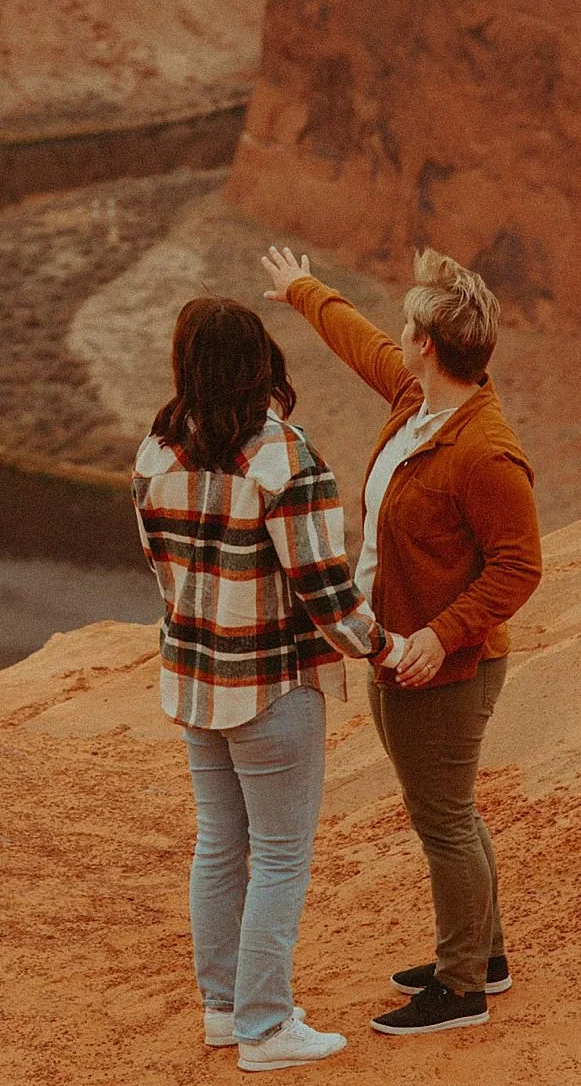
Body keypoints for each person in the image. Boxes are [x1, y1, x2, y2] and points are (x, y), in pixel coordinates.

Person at [261, 242, 542, 1040]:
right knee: (451, 810)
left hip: (446, 668)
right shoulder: (416, 402)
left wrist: (440, 634)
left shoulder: (483, 452)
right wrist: (303, 289)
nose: (398, 336)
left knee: (444, 820)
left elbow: (520, 567)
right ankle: (484, 956)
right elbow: (364, 344)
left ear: (431, 344)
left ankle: (461, 989)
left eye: (407, 327)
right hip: (403, 649)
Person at [133, 294, 408, 1071]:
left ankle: (226, 1011)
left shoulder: (156, 453)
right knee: (281, 857)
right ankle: (264, 1029)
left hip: (194, 681)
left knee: (221, 847)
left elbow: (162, 570)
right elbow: (323, 586)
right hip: (270, 688)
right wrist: (380, 645)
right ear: (261, 361)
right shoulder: (281, 455)